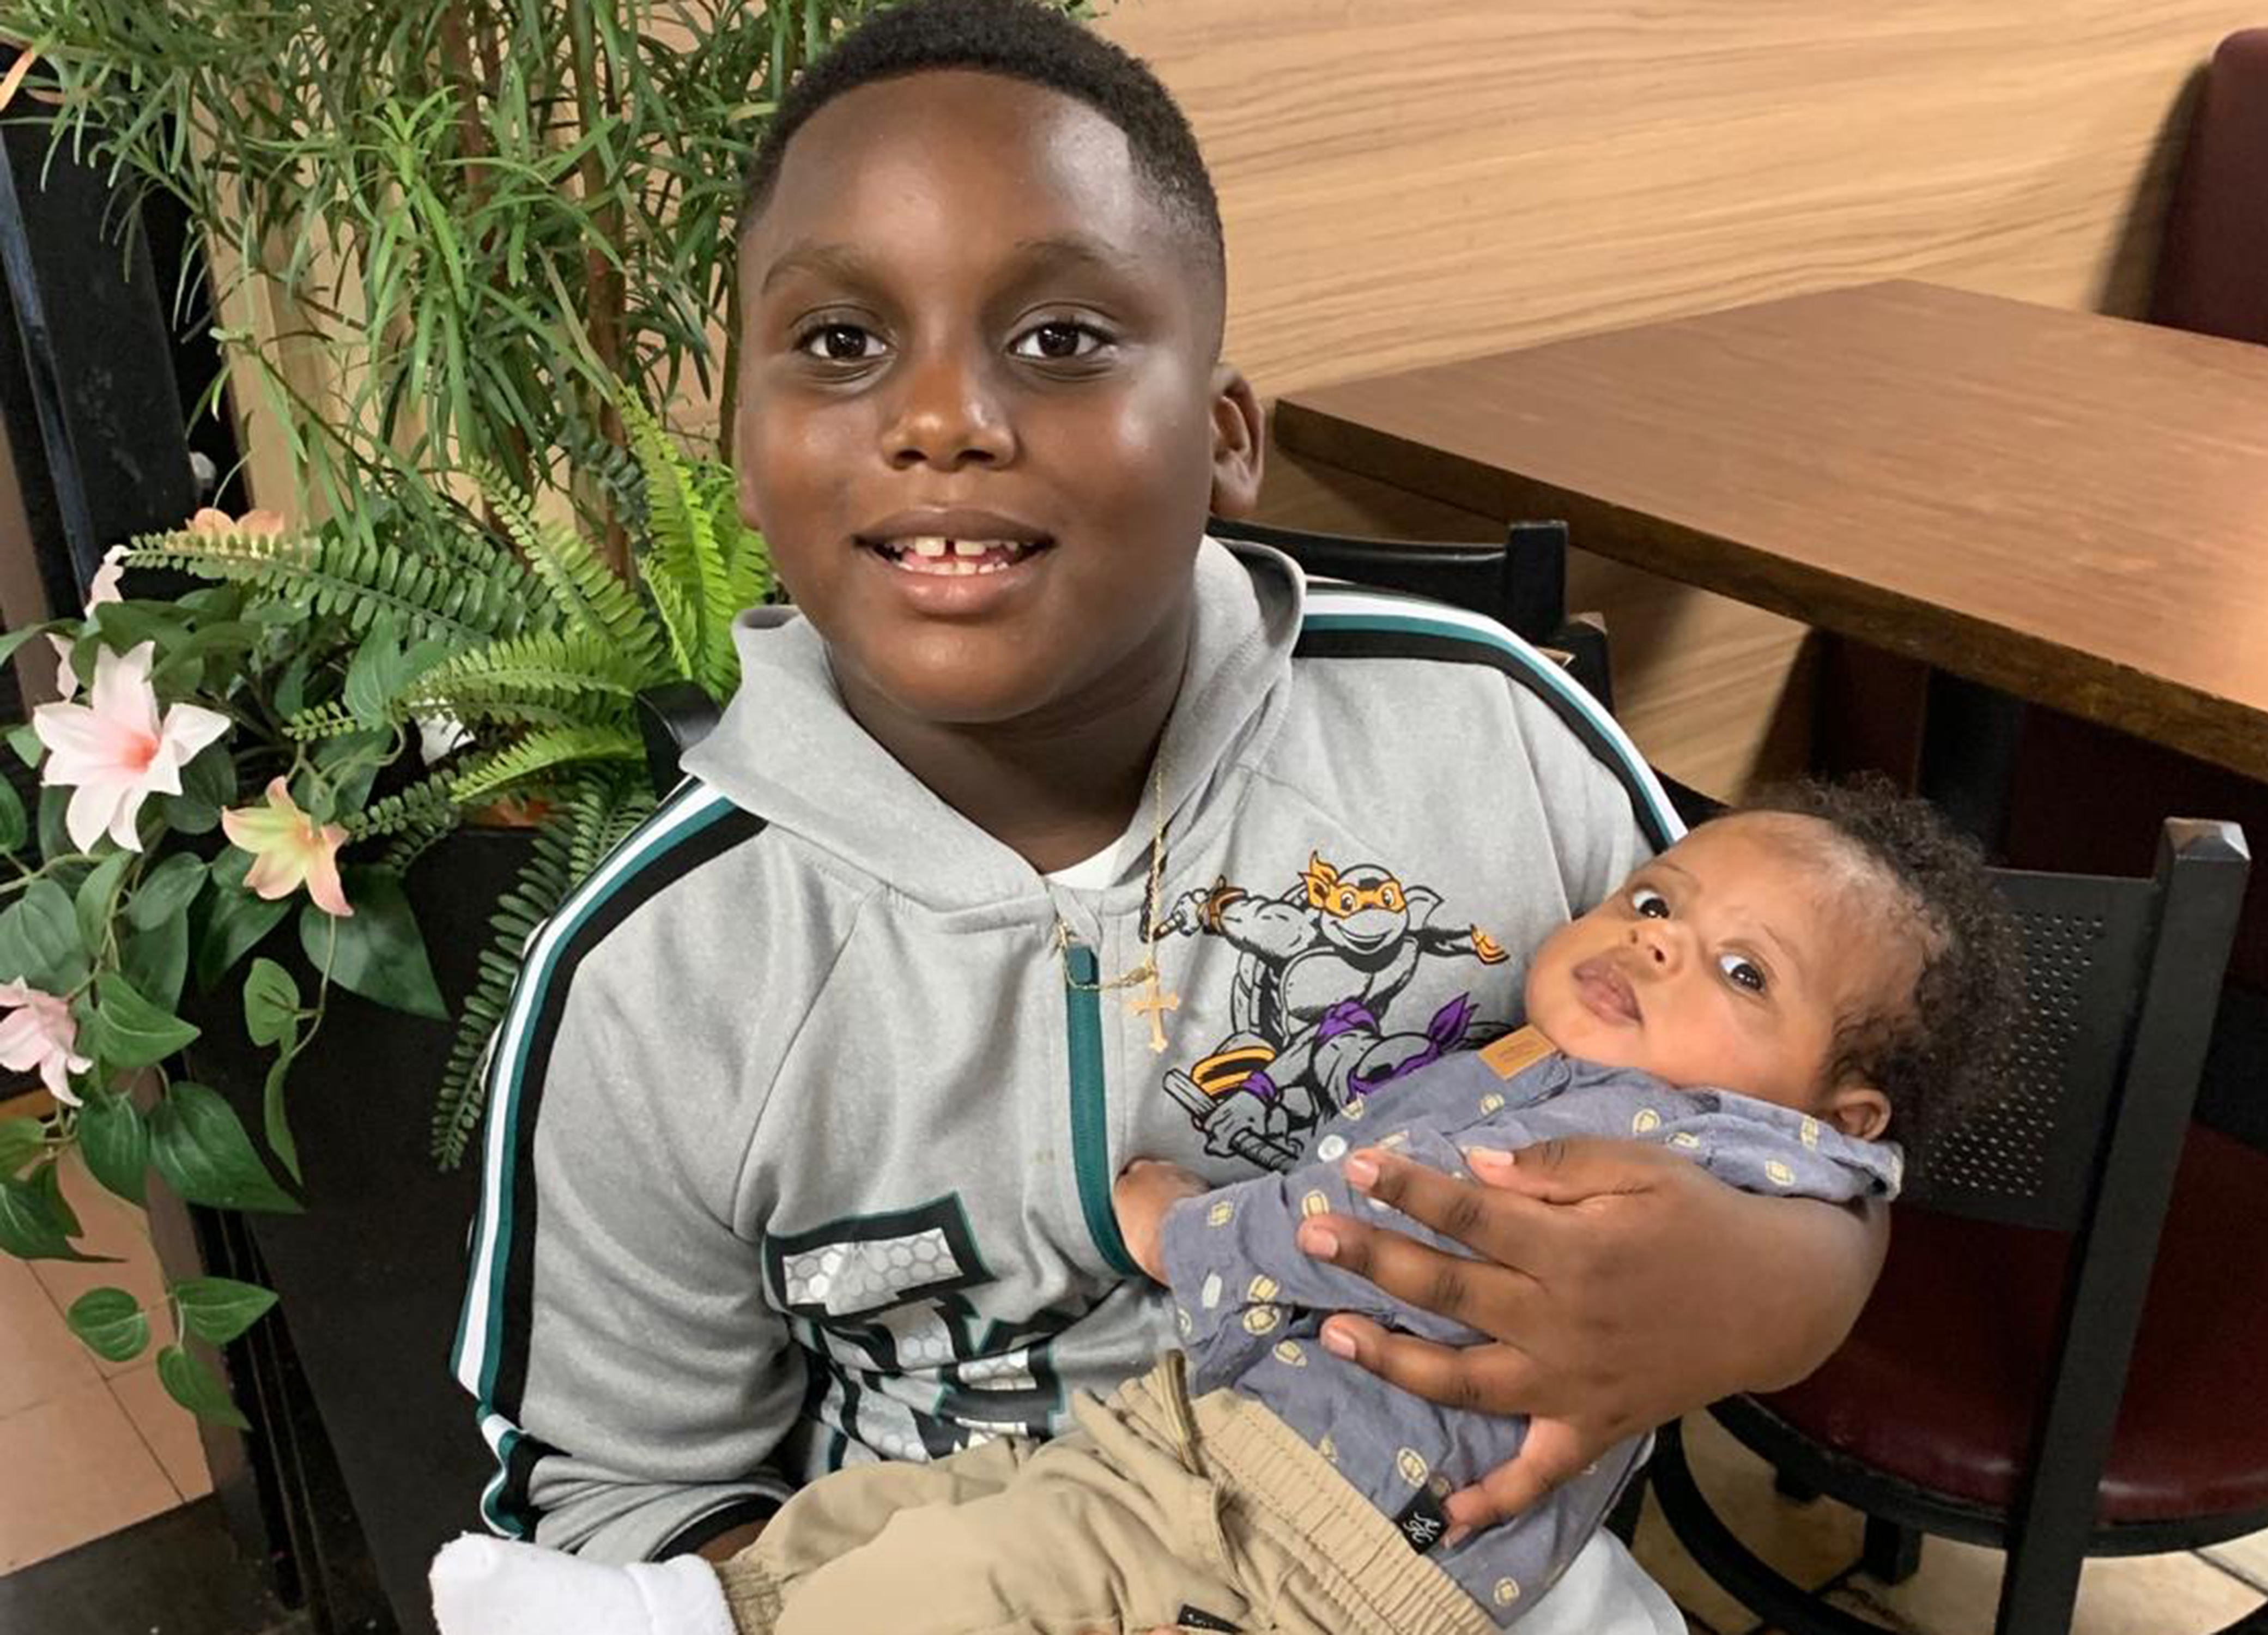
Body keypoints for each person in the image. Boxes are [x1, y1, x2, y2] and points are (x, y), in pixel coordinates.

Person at [446, 3, 1888, 1630]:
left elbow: (1802, 1128)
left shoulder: (1493, 741)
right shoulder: (659, 980)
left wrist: (1788, 1290)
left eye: (1059, 338)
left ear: (1223, 437)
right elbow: (619, 1495)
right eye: (841, 342)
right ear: (741, 443)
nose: (943, 417)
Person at [432, 782, 2020, 1634]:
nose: (1657, 938)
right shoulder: (1587, 1075)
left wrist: (1179, 1226)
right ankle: (685, 1605)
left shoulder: (1632, 1134)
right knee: (917, 1523)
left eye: (1741, 971)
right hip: (1204, 1441)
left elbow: (1371, 1237)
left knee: (963, 1586)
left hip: (1317, 1542)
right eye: (1655, 900)